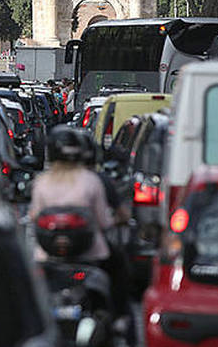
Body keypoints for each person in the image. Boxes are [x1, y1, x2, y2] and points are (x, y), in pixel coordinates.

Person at [29, 125, 130, 317]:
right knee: (120, 270)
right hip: (91, 254)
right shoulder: (91, 180)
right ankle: (121, 321)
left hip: (47, 255)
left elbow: (35, 215)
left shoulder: (42, 182)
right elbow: (103, 221)